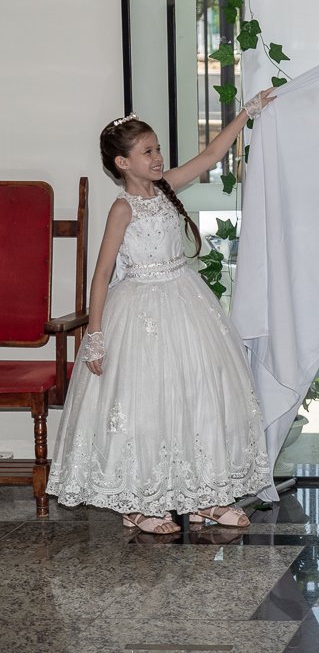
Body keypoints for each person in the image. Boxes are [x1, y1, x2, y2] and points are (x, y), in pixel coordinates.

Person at [46, 94, 276, 534]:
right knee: (145, 406)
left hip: (186, 301)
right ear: (122, 163)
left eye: (157, 149)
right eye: (147, 152)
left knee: (199, 396)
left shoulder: (167, 186)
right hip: (139, 311)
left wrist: (248, 111)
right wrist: (94, 335)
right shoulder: (122, 208)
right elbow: (101, 275)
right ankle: (141, 501)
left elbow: (211, 155)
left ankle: (203, 497)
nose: (157, 157)